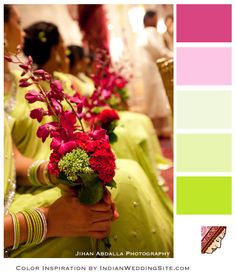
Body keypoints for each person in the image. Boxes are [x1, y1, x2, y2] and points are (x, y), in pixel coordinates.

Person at [4, 5, 173, 258]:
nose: (24, 33)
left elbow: (13, 158)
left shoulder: (22, 81)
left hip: (21, 193)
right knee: (122, 183)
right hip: (15, 221)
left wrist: (54, 172)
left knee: (124, 174)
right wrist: (46, 220)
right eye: (18, 22)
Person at [23, 21, 172, 189]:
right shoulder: (37, 87)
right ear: (55, 48)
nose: (65, 50)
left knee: (137, 126)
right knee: (129, 159)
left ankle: (154, 179)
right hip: (71, 145)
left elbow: (83, 109)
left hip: (86, 132)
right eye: (62, 44)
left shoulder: (64, 80)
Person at [138, 10, 173, 137]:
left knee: (153, 97)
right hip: (154, 68)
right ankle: (162, 128)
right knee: (158, 96)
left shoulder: (142, 34)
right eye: (155, 19)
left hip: (148, 69)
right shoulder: (150, 32)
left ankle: (158, 129)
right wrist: (173, 55)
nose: (156, 22)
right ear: (148, 20)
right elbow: (159, 51)